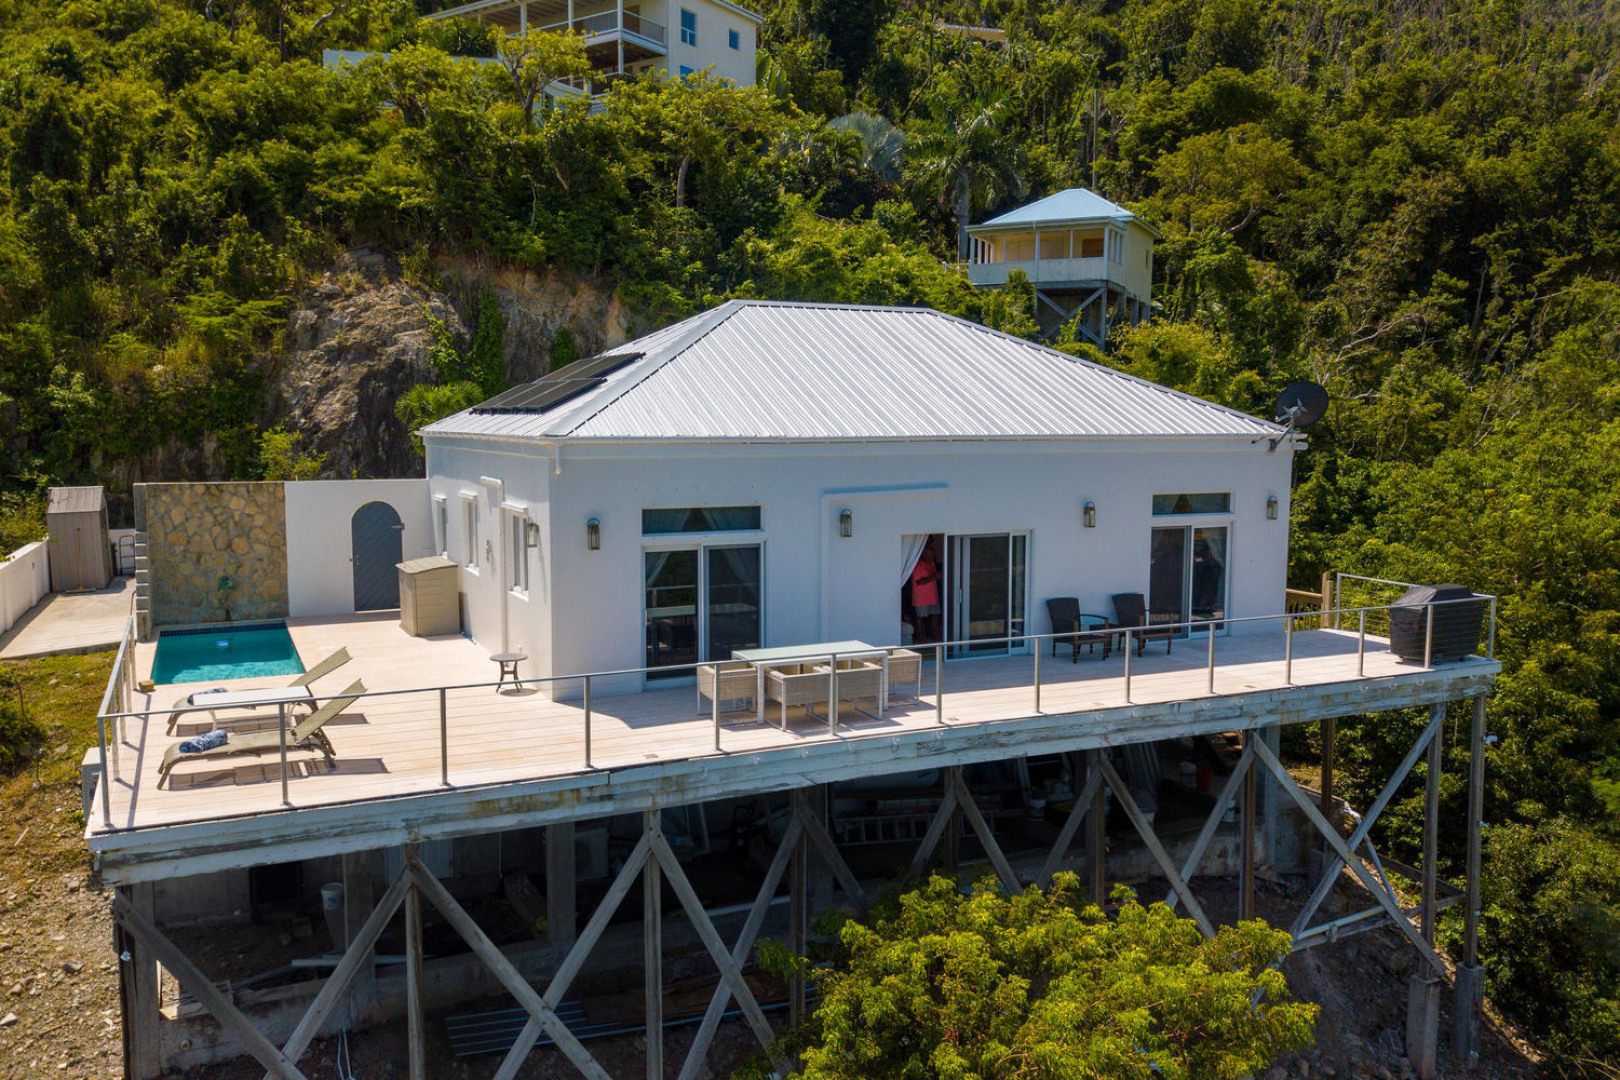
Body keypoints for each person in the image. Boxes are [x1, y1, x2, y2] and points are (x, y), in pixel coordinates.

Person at [911, 540, 942, 644]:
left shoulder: (932, 563)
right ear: (924, 555)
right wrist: (934, 577)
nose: (932, 558)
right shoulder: (917, 565)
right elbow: (919, 582)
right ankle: (922, 639)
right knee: (921, 619)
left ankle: (935, 638)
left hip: (933, 596)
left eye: (933, 556)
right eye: (930, 556)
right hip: (922, 598)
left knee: (935, 616)